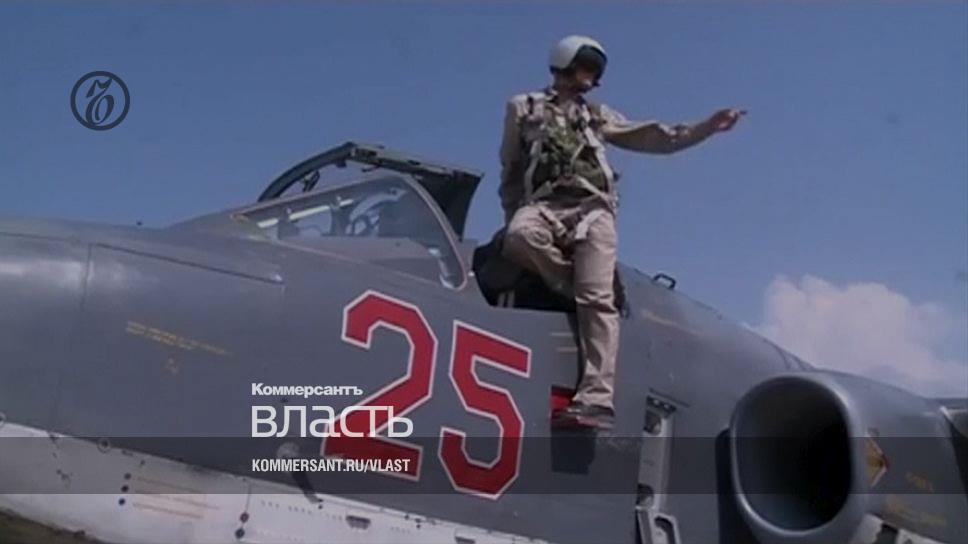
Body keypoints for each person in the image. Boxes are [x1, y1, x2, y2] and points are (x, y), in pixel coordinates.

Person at [498, 35, 743, 430]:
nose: (591, 77)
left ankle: (596, 399)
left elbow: (656, 137)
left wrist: (706, 128)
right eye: (586, 67)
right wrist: (513, 212)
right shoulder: (523, 107)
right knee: (518, 238)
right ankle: (572, 285)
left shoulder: (598, 115)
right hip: (544, 206)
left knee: (598, 302)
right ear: (565, 63)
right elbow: (510, 168)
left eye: (594, 71)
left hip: (594, 210)